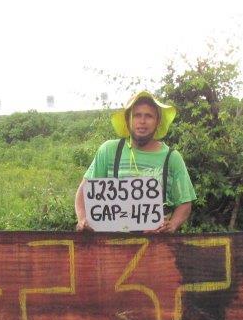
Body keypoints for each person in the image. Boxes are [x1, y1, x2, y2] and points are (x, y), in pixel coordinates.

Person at [75, 91, 195, 233]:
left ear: (157, 122)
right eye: (137, 115)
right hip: (110, 246)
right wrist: (82, 219)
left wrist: (172, 225)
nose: (142, 121)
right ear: (128, 120)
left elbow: (185, 203)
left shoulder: (172, 157)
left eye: (149, 116)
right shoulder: (109, 150)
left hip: (155, 247)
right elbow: (84, 191)